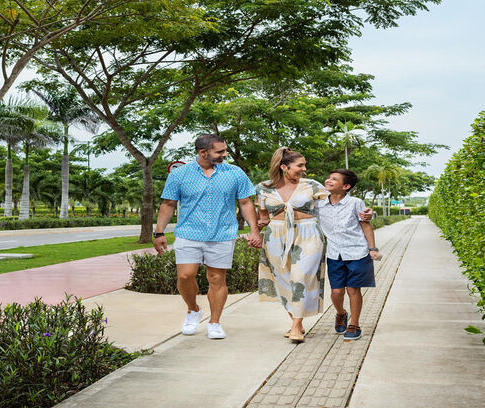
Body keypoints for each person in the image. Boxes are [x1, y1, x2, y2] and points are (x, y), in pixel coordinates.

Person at [254, 147, 372, 343]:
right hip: (276, 235)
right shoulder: (263, 188)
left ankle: (294, 327)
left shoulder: (312, 186)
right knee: (283, 281)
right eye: (300, 165)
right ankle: (297, 324)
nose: (304, 169)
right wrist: (256, 230)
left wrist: (367, 213)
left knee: (302, 278)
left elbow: (339, 202)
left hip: (307, 234)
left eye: (304, 165)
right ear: (284, 167)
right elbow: (263, 216)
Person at [154, 134, 262, 340]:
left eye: (225, 150)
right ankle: (193, 309)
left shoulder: (235, 173)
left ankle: (214, 322)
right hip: (188, 233)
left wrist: (254, 230)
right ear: (203, 152)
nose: (224, 155)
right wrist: (159, 232)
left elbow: (246, 203)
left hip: (222, 233)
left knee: (216, 278)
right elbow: (167, 204)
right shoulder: (180, 174)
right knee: (185, 275)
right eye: (219, 152)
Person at [319, 169, 382, 341]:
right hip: (334, 254)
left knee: (353, 289)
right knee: (336, 292)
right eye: (329, 177)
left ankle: (354, 324)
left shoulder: (355, 202)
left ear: (346, 186)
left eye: (334, 179)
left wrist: (373, 248)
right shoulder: (319, 204)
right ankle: (341, 313)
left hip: (357, 252)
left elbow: (366, 224)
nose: (329, 180)